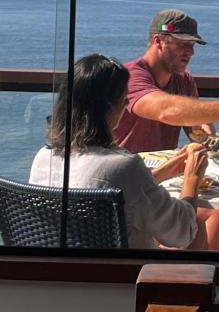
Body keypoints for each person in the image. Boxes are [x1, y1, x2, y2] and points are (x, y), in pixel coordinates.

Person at [114, 8, 219, 250]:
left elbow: (193, 123)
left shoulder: (183, 80)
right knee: (194, 225)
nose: (191, 52)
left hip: (163, 181)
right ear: (158, 41)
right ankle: (175, 265)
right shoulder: (131, 77)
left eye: (193, 45)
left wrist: (204, 130)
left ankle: (208, 270)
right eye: (183, 44)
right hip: (130, 188)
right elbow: (165, 110)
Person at [30, 54, 208, 250]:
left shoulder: (44, 157)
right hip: (122, 268)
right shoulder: (124, 166)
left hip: (62, 266)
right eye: (124, 100)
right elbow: (183, 232)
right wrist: (192, 177)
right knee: (197, 225)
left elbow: (110, 186)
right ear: (108, 109)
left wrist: (166, 170)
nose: (126, 106)